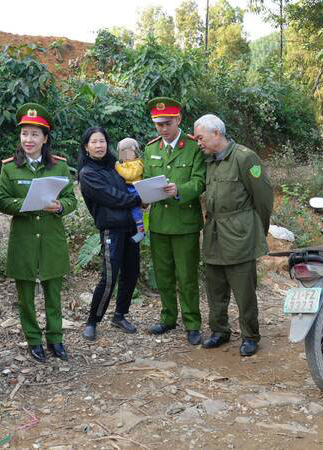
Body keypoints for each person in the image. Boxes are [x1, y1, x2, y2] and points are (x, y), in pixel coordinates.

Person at [0, 103, 77, 363]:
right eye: (24, 134)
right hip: (24, 240)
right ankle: (33, 340)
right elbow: (2, 201)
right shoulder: (10, 168)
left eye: (34, 134)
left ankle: (55, 338)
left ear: (45, 138)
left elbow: (71, 200)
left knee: (54, 293)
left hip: (51, 238)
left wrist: (60, 206)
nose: (28, 139)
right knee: (26, 296)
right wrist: (26, 205)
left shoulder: (59, 167)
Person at [192, 114, 273, 356]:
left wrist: (257, 230)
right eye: (196, 139)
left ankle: (250, 336)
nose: (198, 143)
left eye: (201, 138)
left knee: (243, 290)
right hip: (214, 232)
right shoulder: (209, 160)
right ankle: (219, 331)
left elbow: (264, 198)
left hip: (239, 233)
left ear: (216, 133)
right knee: (215, 287)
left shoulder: (245, 157)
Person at [142, 97, 206, 346]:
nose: (163, 129)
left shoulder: (192, 147)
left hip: (184, 224)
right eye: (158, 124)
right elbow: (147, 179)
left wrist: (178, 189)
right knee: (164, 275)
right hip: (158, 222)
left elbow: (200, 182)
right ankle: (168, 317)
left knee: (187, 276)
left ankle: (192, 323)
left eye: (167, 123)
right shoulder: (151, 149)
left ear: (179, 120)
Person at [77, 127, 143, 341]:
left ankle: (120, 315)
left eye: (102, 141)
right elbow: (111, 197)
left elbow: (132, 183)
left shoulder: (117, 166)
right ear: (86, 147)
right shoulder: (87, 173)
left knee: (131, 273)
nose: (99, 145)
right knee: (109, 277)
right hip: (111, 229)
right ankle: (92, 321)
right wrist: (137, 199)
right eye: (94, 142)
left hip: (130, 227)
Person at [115, 138, 146, 243]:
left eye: (128, 152)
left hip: (134, 189)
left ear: (135, 152)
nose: (125, 155)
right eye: (122, 152)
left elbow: (130, 175)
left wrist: (119, 168)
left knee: (135, 211)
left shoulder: (137, 164)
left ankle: (141, 232)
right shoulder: (123, 162)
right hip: (125, 189)